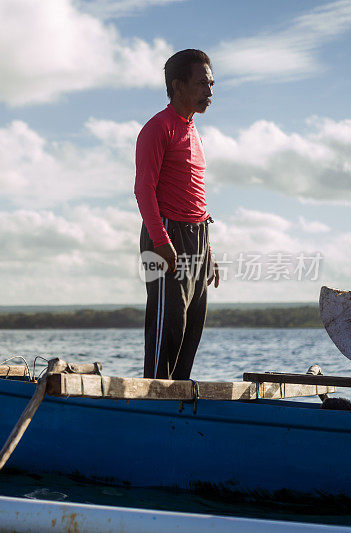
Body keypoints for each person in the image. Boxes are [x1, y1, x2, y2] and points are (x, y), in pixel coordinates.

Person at [134, 49, 220, 380]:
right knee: (167, 325)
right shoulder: (158, 128)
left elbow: (195, 192)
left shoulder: (193, 131)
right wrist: (160, 240)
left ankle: (178, 405)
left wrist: (207, 250)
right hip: (166, 232)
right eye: (202, 84)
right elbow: (143, 189)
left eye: (211, 84)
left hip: (198, 235)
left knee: (191, 325)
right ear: (178, 85)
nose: (209, 92)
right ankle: (154, 401)